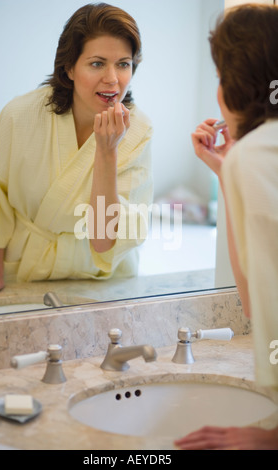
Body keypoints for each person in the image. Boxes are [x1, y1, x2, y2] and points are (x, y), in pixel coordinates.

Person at [0, 3, 153, 295]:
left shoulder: (137, 130)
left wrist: (107, 152)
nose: (112, 79)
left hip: (101, 281)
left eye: (123, 63)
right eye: (97, 63)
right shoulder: (19, 115)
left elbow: (102, 240)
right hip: (26, 272)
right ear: (69, 67)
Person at [175, 4, 278, 450]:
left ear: (232, 85)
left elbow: (255, 301)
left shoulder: (255, 156)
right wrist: (225, 171)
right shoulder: (253, 155)